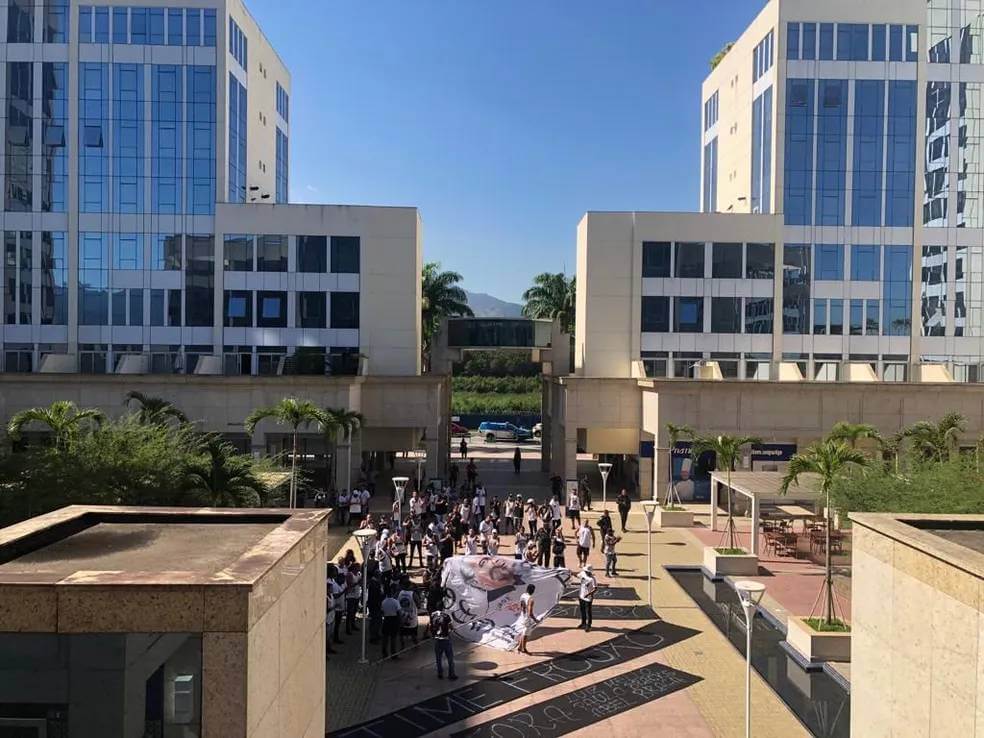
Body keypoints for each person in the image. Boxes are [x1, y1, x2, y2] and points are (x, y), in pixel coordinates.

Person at [430, 601, 458, 679]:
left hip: (437, 639)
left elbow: (430, 625)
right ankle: (451, 674)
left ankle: (440, 674)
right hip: (445, 639)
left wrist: (433, 634)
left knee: (438, 658)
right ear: (443, 607)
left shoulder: (433, 615)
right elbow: (450, 626)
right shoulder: (446, 616)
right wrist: (453, 629)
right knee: (450, 658)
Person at [397, 578, 419, 649]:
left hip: (402, 616)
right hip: (412, 617)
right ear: (409, 586)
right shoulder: (413, 594)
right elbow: (419, 604)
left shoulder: (399, 593)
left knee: (402, 633)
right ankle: (416, 645)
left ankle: (402, 646)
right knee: (413, 633)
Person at [516, 584, 538, 655]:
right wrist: (535, 620)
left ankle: (519, 647)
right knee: (525, 634)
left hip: (522, 615)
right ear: (533, 591)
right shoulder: (530, 599)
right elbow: (530, 613)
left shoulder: (522, 595)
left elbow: (521, 606)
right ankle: (523, 649)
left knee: (523, 632)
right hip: (526, 618)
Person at [381, 586, 401, 658]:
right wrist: (400, 621)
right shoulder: (395, 602)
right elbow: (399, 612)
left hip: (386, 619)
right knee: (393, 637)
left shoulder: (383, 602)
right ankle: (393, 653)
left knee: (385, 637)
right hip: (394, 619)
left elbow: (382, 611)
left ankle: (384, 652)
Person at [578, 565, 597, 632]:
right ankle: (583, 623)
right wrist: (570, 572)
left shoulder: (592, 579)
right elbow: (577, 575)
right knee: (582, 610)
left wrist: (588, 594)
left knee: (588, 612)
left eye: (587, 571)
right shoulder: (582, 573)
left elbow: (595, 589)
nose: (585, 572)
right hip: (581, 595)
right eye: (585, 571)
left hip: (588, 598)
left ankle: (589, 625)